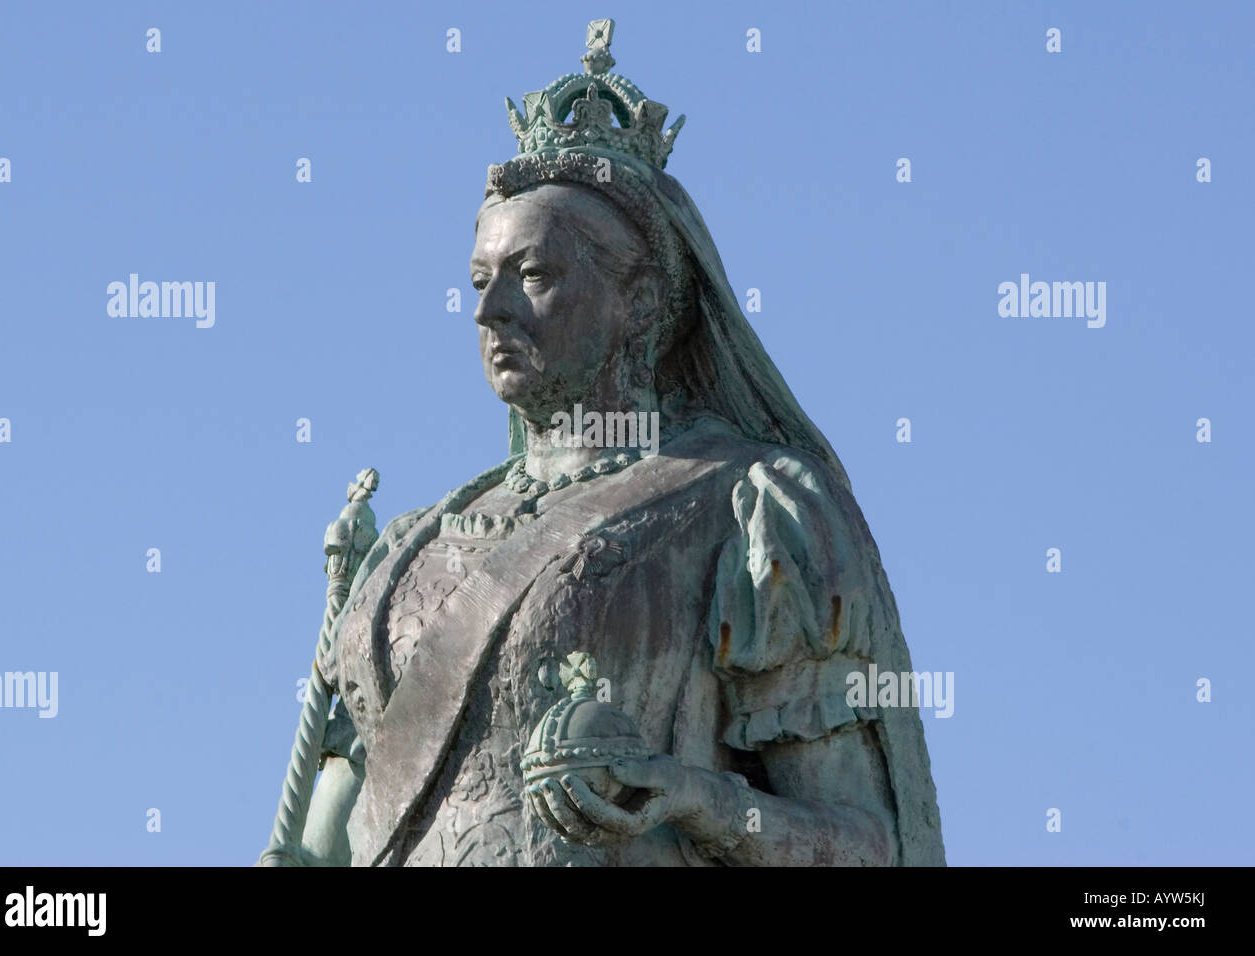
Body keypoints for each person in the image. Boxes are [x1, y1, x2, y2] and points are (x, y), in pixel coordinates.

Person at [292, 20, 945, 867]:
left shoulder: (754, 510)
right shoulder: (401, 554)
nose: (492, 311)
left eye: (535, 276)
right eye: (480, 281)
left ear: (641, 302)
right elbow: (333, 835)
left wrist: (690, 795)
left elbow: (869, 847)